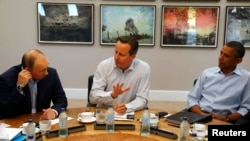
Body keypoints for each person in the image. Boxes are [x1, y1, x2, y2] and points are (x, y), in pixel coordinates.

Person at [187, 41, 250, 124]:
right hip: (199, 115)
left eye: (226, 56)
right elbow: (192, 99)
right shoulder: (207, 73)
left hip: (225, 119)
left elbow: (245, 108)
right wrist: (201, 114)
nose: (220, 58)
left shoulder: (246, 78)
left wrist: (225, 118)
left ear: (238, 60)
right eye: (221, 53)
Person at [90, 36, 151, 114]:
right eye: (116, 52)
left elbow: (142, 99)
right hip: (104, 113)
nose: (116, 57)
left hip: (129, 113)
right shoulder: (104, 66)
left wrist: (127, 107)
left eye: (121, 55)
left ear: (133, 56)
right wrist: (112, 95)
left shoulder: (144, 68)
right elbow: (93, 97)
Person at [0, 49, 68, 119]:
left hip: (42, 121)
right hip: (18, 123)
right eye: (42, 70)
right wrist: (19, 87)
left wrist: (54, 111)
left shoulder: (52, 74)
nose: (46, 73)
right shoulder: (6, 78)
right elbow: (5, 112)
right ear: (28, 70)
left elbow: (61, 100)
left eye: (46, 67)